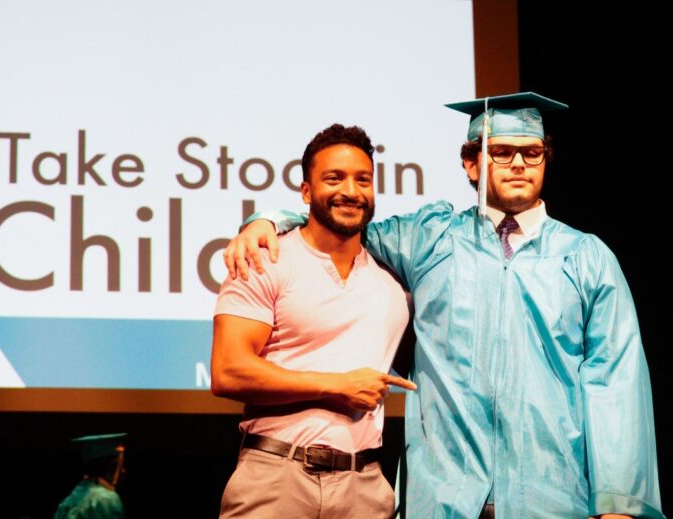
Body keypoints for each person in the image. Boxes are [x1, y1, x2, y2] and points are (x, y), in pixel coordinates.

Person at [222, 93, 664, 518]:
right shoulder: (430, 239)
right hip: (446, 496)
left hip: (551, 495)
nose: (517, 164)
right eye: (502, 151)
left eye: (532, 153)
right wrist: (267, 219)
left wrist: (617, 507)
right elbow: (340, 217)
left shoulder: (586, 258)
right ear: (471, 164)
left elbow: (615, 382)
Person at [211, 123, 416, 518]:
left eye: (363, 180)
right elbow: (227, 371)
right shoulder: (262, 259)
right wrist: (335, 386)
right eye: (334, 178)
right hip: (277, 478)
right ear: (306, 191)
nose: (351, 191)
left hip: (365, 485)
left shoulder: (393, 281)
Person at [54, 433, 126, 519]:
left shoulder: (74, 496)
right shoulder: (106, 498)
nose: (123, 471)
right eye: (121, 466)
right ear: (110, 467)